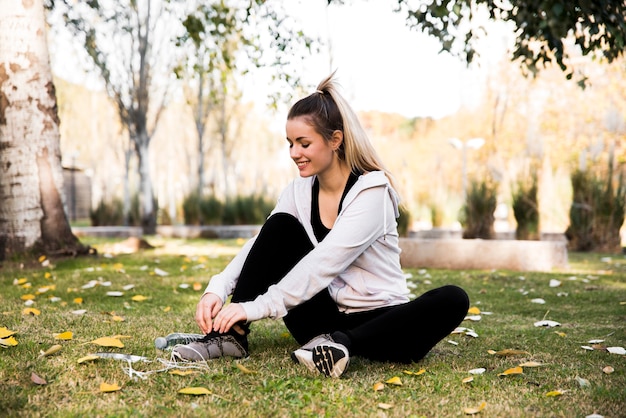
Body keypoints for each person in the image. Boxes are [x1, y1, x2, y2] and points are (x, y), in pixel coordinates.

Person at [172, 73, 470, 378]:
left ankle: (342, 344)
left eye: (304, 143)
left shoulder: (372, 193)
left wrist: (257, 307)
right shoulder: (298, 192)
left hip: (382, 325)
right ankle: (230, 337)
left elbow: (324, 261)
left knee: (453, 298)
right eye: (290, 144)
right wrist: (218, 289)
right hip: (319, 322)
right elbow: (261, 245)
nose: (294, 153)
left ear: (335, 140)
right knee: (279, 226)